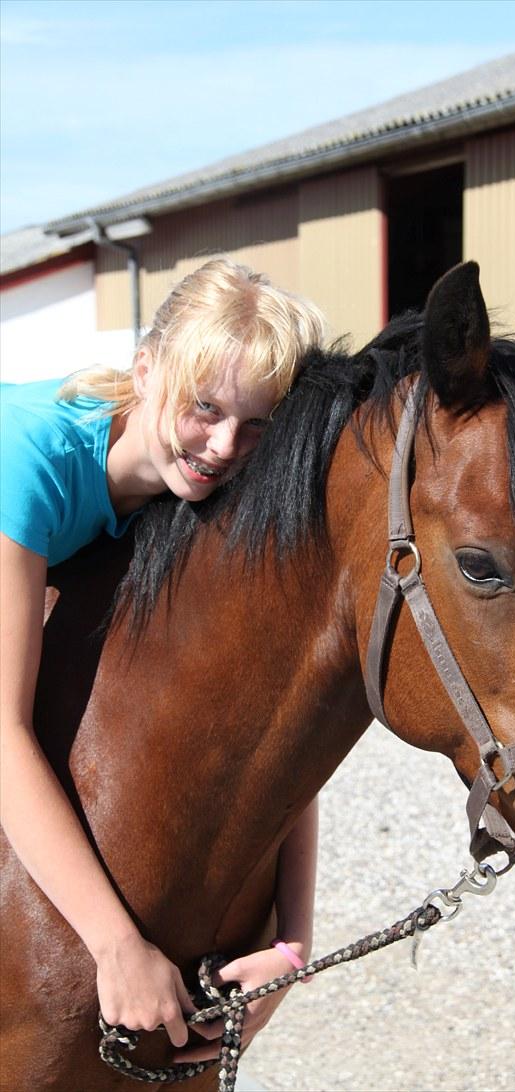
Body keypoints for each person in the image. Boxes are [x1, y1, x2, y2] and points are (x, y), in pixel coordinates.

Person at [0, 258, 326, 1061]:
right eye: (204, 407)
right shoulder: (32, 460)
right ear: (147, 372)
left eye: (256, 425)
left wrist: (293, 945)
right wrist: (116, 945)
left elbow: (278, 722)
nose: (224, 446)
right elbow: (2, 733)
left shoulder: (209, 479)